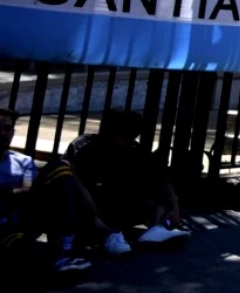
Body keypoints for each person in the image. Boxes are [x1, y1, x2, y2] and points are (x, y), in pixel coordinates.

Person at [0, 107, 116, 280]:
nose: (1, 133)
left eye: (7, 128)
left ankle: (65, 247)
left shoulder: (22, 161)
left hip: (23, 216)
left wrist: (7, 192)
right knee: (26, 254)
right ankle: (62, 255)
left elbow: (28, 191)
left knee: (60, 168)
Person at [65, 109, 190, 248]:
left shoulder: (133, 150)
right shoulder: (84, 147)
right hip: (90, 206)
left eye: (128, 139)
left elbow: (159, 177)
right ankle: (107, 235)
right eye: (121, 139)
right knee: (79, 201)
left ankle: (156, 227)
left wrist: (174, 206)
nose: (124, 144)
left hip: (119, 204)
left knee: (154, 189)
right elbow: (68, 178)